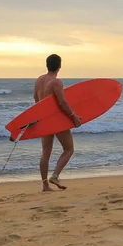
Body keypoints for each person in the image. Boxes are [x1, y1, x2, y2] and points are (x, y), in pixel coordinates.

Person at [34, 54, 82, 192]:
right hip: (56, 119)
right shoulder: (56, 82)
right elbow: (62, 102)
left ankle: (45, 186)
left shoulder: (39, 80)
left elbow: (35, 99)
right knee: (69, 149)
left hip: (44, 119)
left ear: (47, 65)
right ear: (59, 66)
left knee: (45, 153)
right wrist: (74, 117)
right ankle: (55, 176)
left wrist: (41, 115)